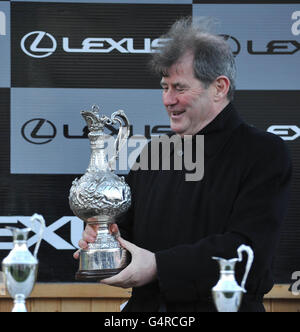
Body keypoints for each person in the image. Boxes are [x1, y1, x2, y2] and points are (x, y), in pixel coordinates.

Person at [74, 17, 292, 312]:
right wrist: (107, 240)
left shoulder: (263, 153)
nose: (168, 99)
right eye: (164, 87)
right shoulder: (154, 152)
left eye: (179, 88)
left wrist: (157, 266)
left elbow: (247, 252)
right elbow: (128, 238)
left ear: (219, 87)